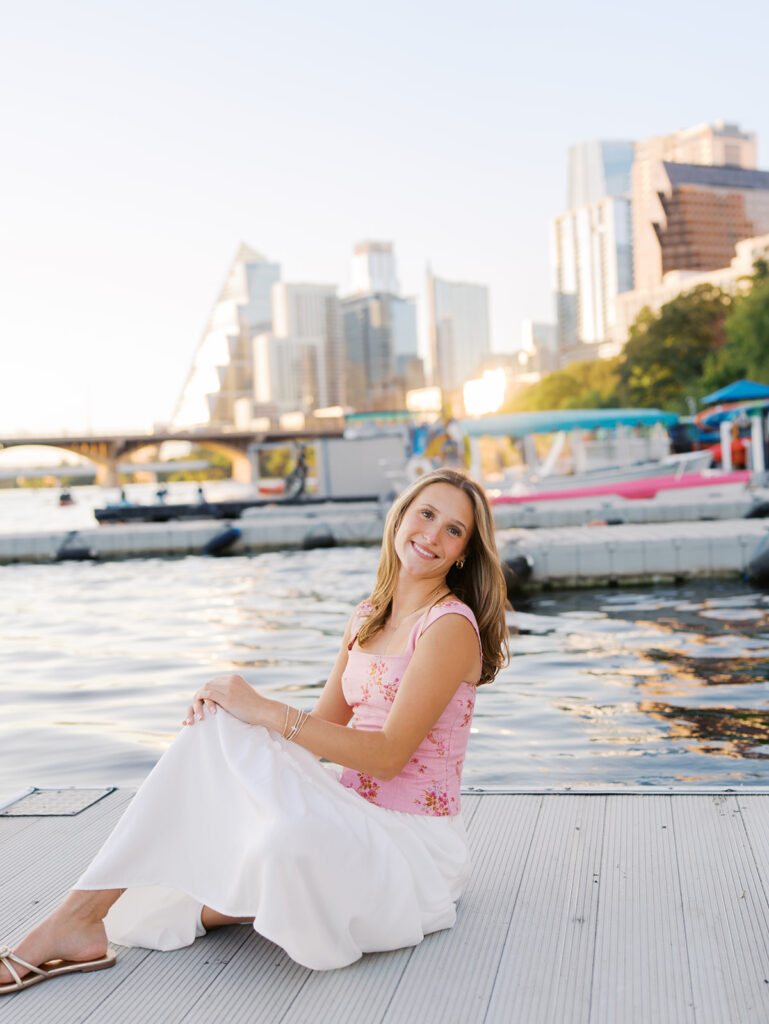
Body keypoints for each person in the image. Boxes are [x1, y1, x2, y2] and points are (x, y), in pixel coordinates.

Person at [0, 468, 509, 993]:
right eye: (426, 514)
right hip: (357, 814)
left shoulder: (448, 626)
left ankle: (117, 915)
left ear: (463, 553)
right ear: (400, 518)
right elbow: (323, 730)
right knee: (218, 726)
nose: (432, 534)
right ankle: (80, 917)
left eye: (453, 530)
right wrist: (236, 716)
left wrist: (263, 710)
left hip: (414, 848)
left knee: (284, 841)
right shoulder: (366, 618)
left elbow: (386, 757)